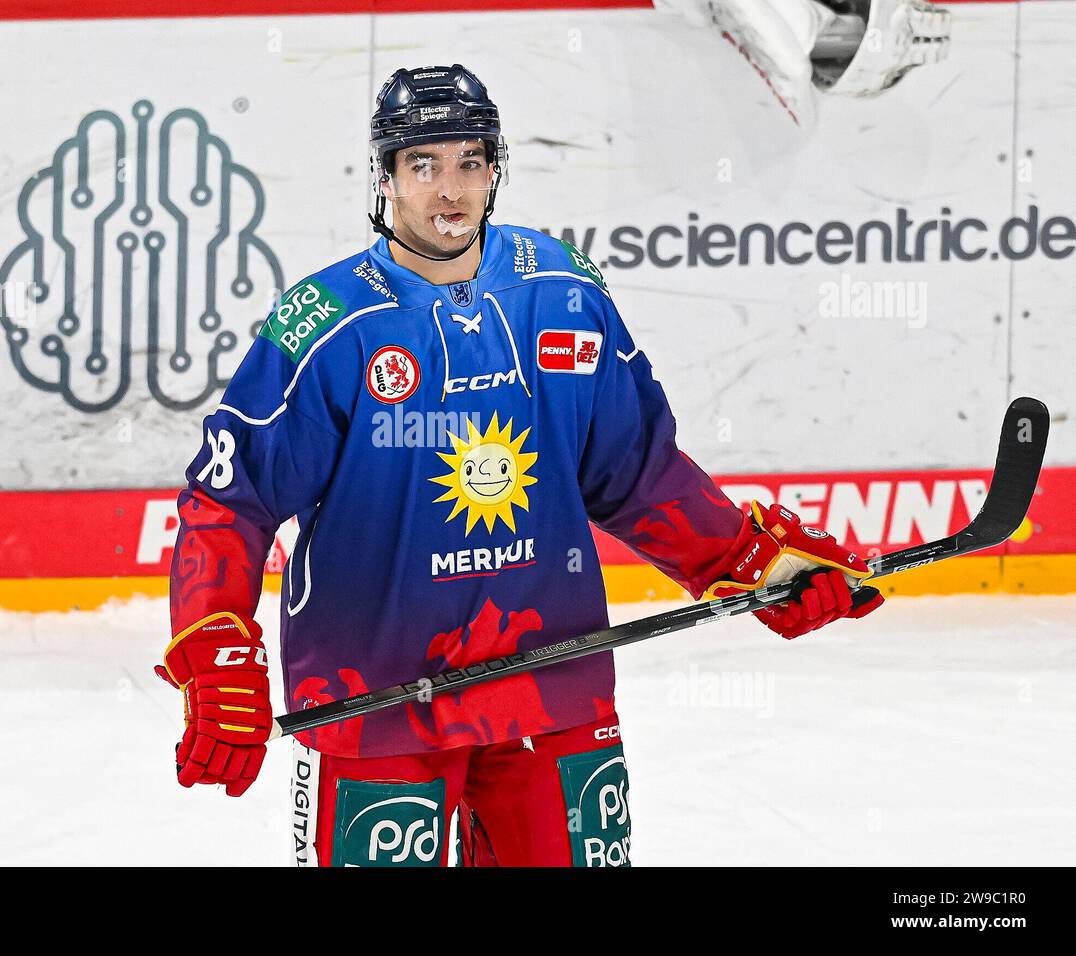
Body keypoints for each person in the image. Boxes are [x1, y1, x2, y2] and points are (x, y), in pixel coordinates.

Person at [155, 64, 883, 867]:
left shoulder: (564, 294)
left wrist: (750, 560)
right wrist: (216, 646)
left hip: (550, 689)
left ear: (496, 168)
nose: (450, 189)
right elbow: (229, 502)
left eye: (470, 160)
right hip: (377, 708)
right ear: (385, 177)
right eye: (423, 164)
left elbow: (638, 472)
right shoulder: (327, 327)